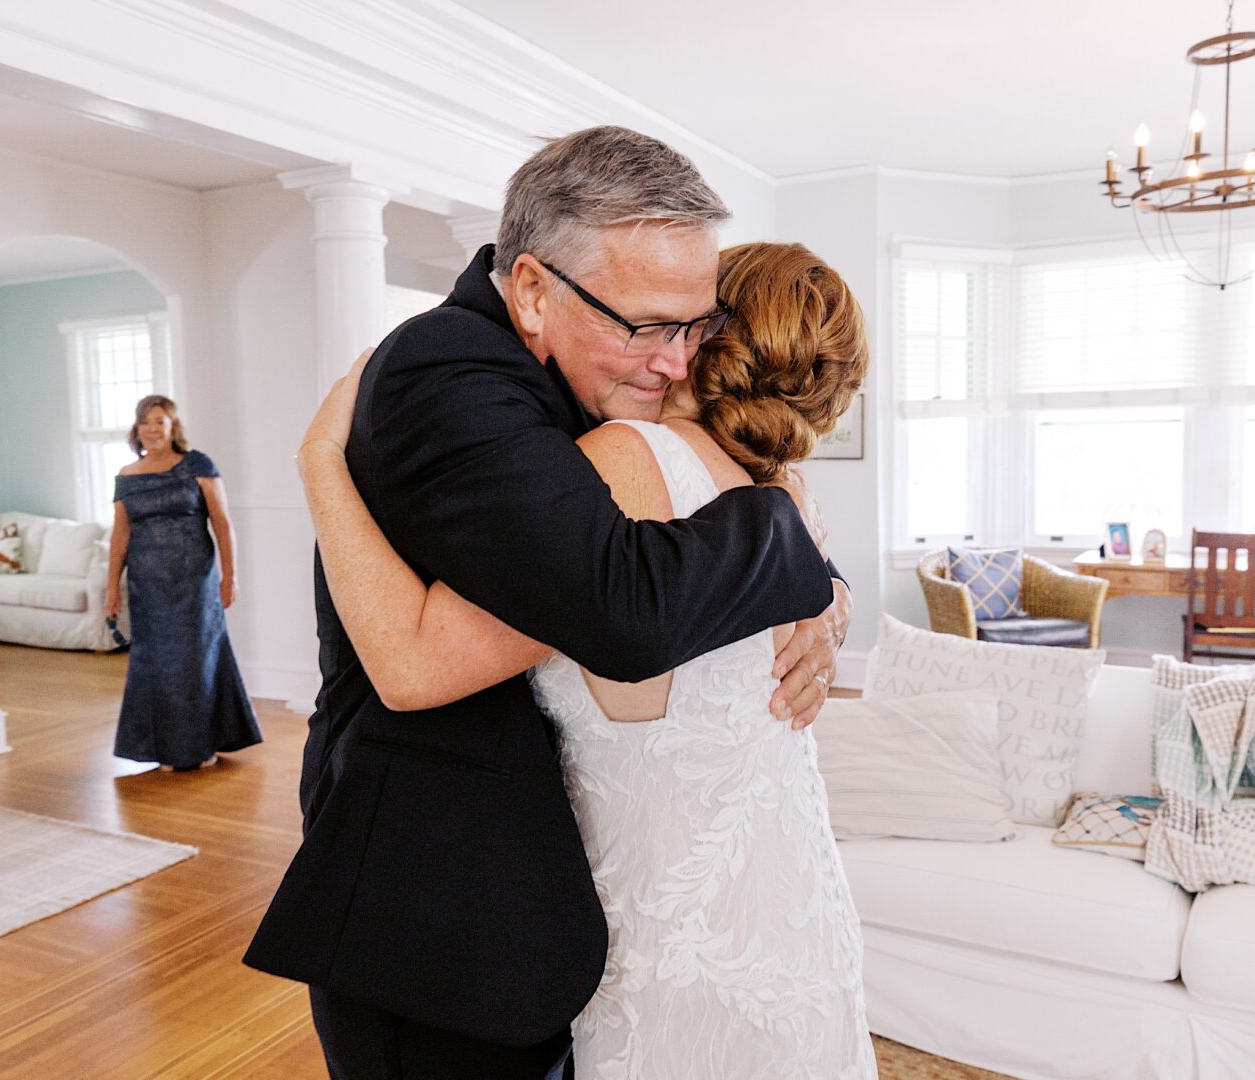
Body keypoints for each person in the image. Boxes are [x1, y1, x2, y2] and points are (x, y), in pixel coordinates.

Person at [244, 126, 850, 1080]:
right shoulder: (447, 371)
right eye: (646, 326)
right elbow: (619, 612)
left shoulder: (586, 382)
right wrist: (788, 524)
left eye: (695, 327)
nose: (680, 362)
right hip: (440, 910)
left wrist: (823, 576)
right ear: (532, 289)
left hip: (544, 905)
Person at [106, 395, 261, 771]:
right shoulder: (126, 476)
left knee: (195, 662)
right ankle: (165, 749)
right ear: (136, 429)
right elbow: (120, 535)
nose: (152, 429)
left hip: (194, 583)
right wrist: (112, 588)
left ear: (173, 427)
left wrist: (231, 576)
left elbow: (222, 523)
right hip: (147, 587)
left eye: (160, 421)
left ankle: (200, 744)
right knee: (155, 665)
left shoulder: (197, 465)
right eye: (145, 422)